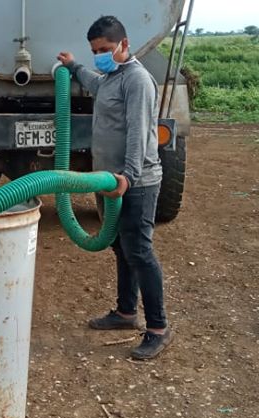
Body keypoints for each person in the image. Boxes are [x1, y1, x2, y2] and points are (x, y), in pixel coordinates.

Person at [57, 16, 171, 360]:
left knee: (139, 251)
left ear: (124, 44)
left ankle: (158, 329)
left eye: (105, 49)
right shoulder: (111, 77)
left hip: (135, 181)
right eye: (94, 51)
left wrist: (129, 177)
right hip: (110, 179)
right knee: (121, 248)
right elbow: (95, 82)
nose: (100, 56)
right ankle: (125, 312)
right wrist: (74, 67)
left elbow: (138, 132)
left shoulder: (137, 80)